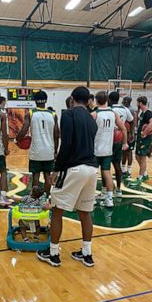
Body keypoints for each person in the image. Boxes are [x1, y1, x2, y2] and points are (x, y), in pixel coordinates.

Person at [36, 86, 100, 268]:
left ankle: (53, 253)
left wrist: (57, 169)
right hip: (92, 169)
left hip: (74, 168)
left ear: (72, 99)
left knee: (57, 210)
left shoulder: (69, 114)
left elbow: (67, 144)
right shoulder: (92, 119)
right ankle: (86, 254)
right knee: (85, 213)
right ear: (88, 100)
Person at [15, 91, 59, 196]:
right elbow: (56, 134)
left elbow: (24, 130)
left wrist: (17, 140)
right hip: (49, 151)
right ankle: (47, 197)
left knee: (36, 175)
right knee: (47, 175)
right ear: (46, 100)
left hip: (36, 151)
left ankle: (35, 199)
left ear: (35, 101)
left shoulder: (30, 113)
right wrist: (55, 151)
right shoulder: (53, 115)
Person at [91, 91, 127, 208]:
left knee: (93, 174)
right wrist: (125, 143)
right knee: (107, 172)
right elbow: (124, 129)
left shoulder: (94, 114)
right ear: (106, 100)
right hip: (108, 149)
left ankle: (91, 199)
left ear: (96, 100)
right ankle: (109, 199)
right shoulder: (113, 113)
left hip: (96, 149)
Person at [109, 91, 134, 186]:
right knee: (117, 163)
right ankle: (119, 187)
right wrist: (131, 133)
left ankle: (105, 190)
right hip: (121, 137)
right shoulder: (125, 109)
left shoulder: (109, 109)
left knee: (105, 164)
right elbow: (131, 121)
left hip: (110, 137)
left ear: (109, 99)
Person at [134, 96, 152, 182]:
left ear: (140, 103)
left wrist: (145, 132)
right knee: (137, 156)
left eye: (137, 102)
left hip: (145, 139)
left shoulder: (148, 112)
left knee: (142, 158)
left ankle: (140, 177)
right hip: (140, 138)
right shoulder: (142, 113)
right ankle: (145, 173)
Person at [121, 96, 136, 177]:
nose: (122, 102)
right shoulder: (125, 109)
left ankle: (129, 172)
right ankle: (123, 170)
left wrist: (131, 133)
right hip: (125, 133)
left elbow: (133, 122)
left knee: (129, 152)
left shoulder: (131, 110)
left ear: (127, 101)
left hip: (129, 133)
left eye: (123, 100)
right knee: (124, 152)